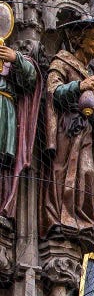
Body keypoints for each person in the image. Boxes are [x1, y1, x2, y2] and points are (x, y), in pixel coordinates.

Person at [40, 17, 94, 242]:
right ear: (78, 41)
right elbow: (52, 91)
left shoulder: (92, 72)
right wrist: (78, 86)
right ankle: (59, 218)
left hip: (85, 132)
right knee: (63, 171)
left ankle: (80, 219)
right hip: (66, 128)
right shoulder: (62, 63)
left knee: (86, 173)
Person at [0, 41, 40, 224]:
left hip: (5, 109)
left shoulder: (10, 55)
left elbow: (31, 78)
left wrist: (15, 58)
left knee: (3, 161)